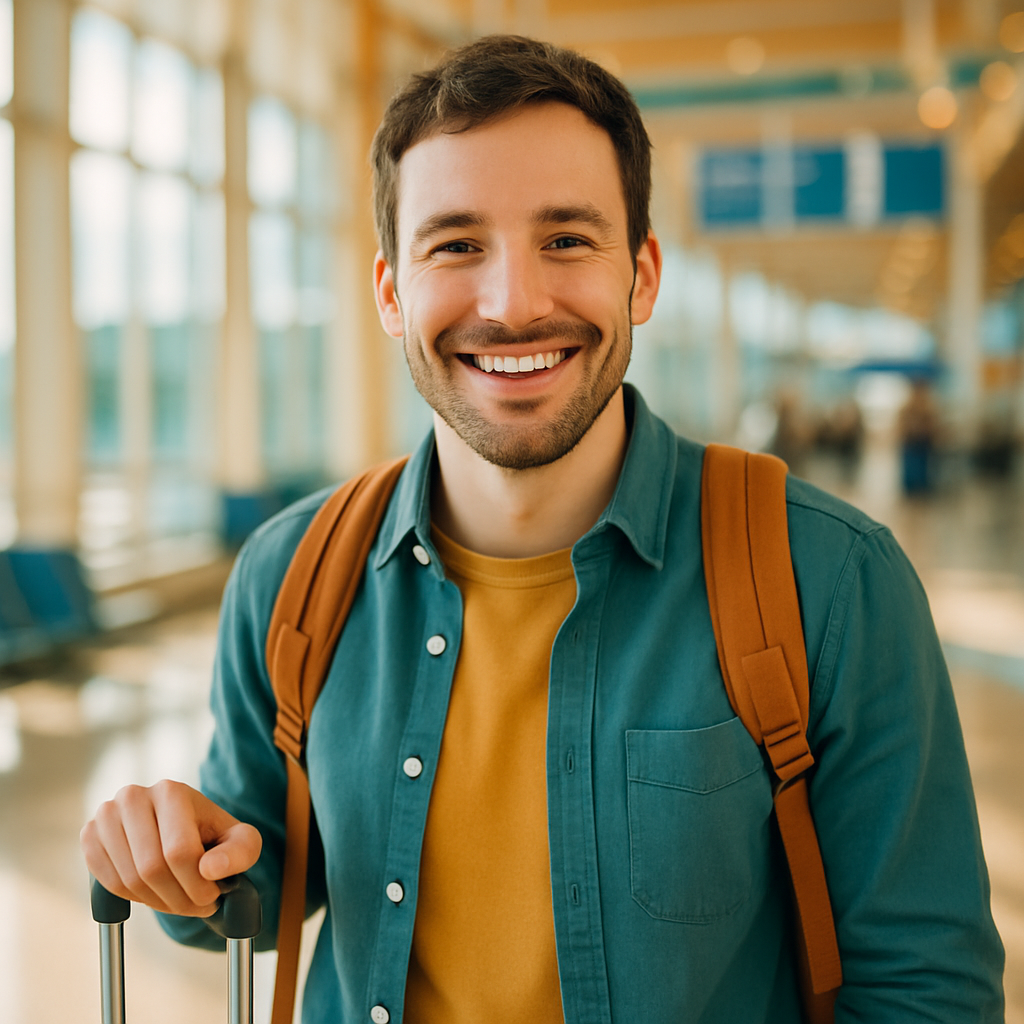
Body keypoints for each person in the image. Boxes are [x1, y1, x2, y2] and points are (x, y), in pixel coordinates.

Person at [81, 35, 1004, 1023]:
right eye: (455, 244)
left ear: (642, 275)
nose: (513, 303)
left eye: (566, 239)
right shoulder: (293, 577)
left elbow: (923, 984)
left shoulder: (827, 581)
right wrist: (180, 854)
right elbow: (259, 873)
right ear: (392, 292)